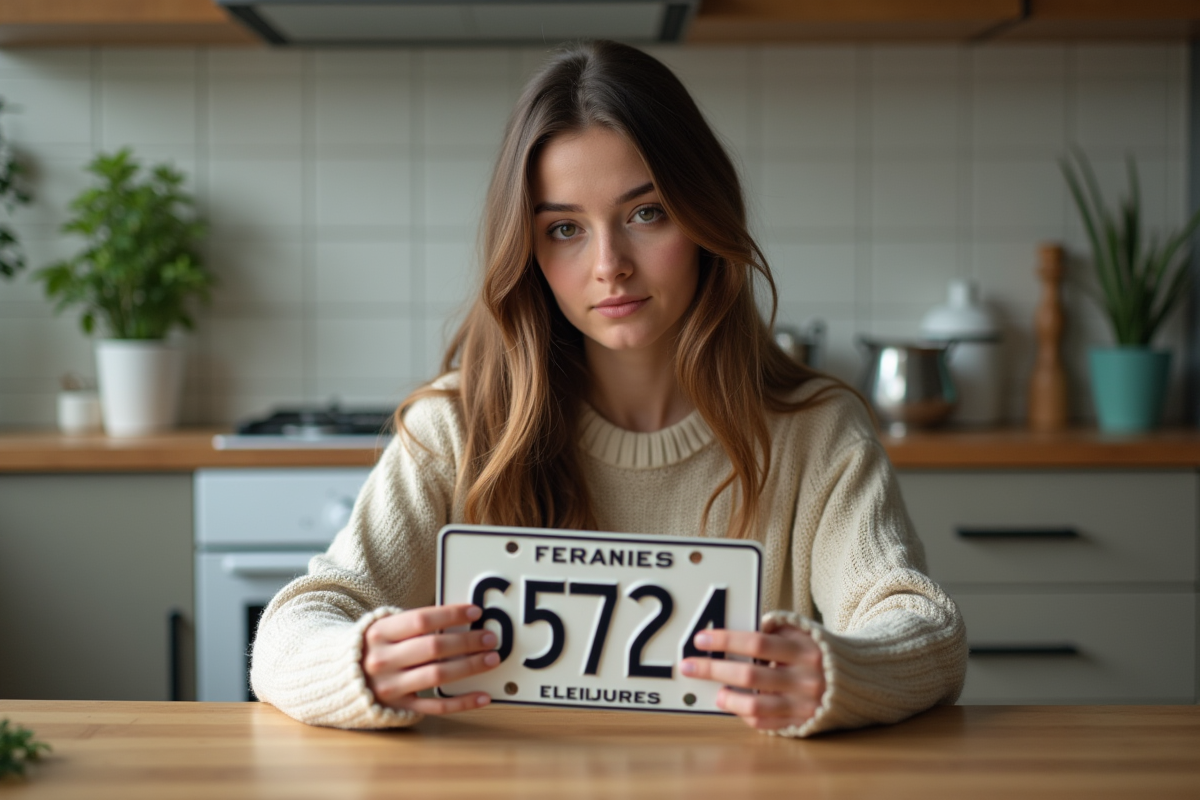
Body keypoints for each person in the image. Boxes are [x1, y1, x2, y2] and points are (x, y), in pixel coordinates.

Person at [250, 39, 967, 738]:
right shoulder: (459, 425)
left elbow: (922, 628)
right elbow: (293, 626)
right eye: (565, 228)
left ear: (705, 214)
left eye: (645, 214)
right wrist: (361, 663)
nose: (609, 265)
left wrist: (838, 670)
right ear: (526, 252)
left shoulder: (816, 430)